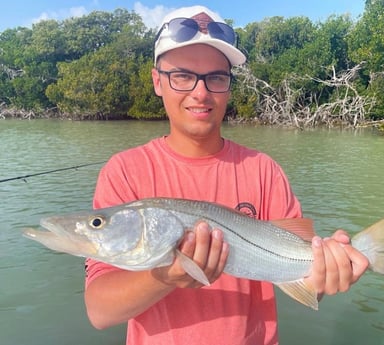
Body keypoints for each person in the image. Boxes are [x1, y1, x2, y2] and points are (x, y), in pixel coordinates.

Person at [84, 5, 369, 345]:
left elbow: (305, 284)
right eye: (182, 75)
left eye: (216, 78)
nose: (200, 93)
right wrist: (167, 276)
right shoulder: (124, 172)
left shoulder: (264, 170)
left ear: (229, 86)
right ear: (157, 81)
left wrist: (328, 273)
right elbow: (100, 312)